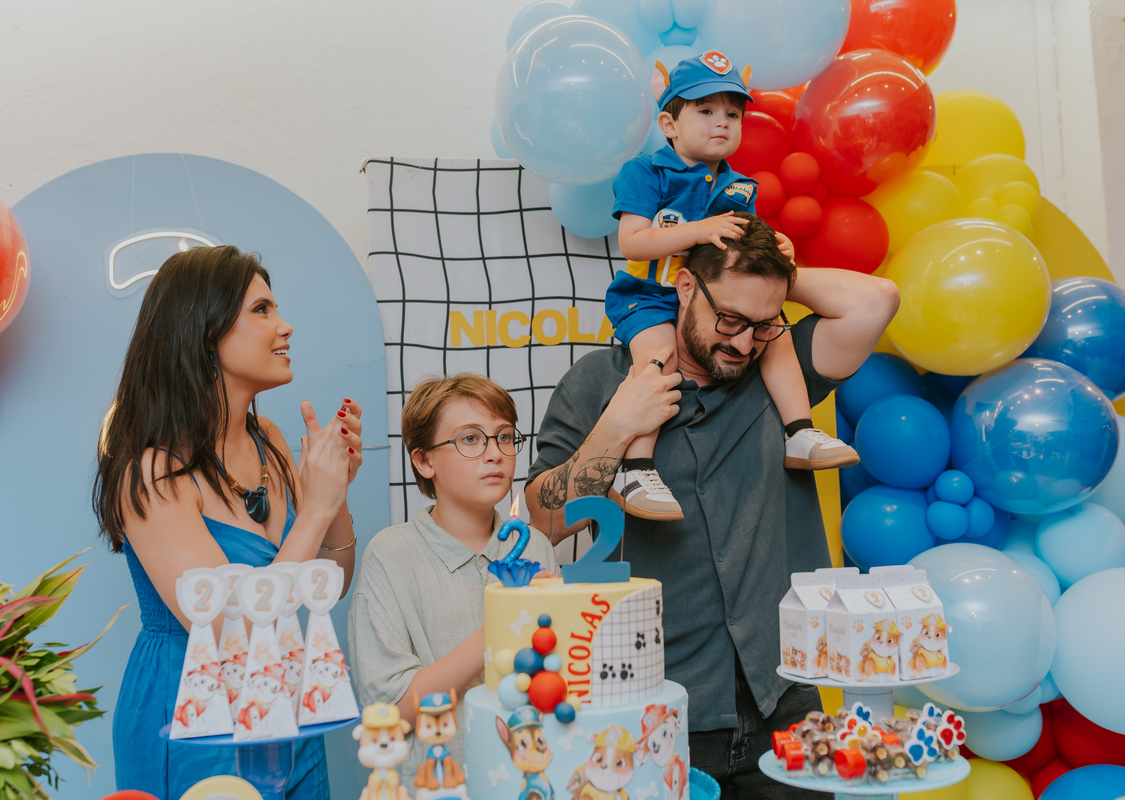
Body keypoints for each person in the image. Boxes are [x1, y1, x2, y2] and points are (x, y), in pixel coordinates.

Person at [525, 215, 900, 798]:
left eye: (762, 324)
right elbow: (545, 519)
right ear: (684, 288)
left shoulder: (781, 374)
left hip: (786, 698)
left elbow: (876, 301)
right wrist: (616, 429)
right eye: (729, 318)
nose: (744, 342)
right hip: (658, 704)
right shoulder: (600, 381)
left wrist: (776, 276)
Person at [94, 246, 360, 800]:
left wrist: (334, 494)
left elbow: (329, 585)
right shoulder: (152, 473)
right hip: (194, 713)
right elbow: (233, 633)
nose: (285, 326)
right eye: (261, 309)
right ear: (202, 330)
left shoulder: (274, 443)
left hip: (289, 707)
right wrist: (313, 507)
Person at [604, 52, 857, 522]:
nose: (722, 123)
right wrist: (699, 230)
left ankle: (799, 429)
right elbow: (632, 243)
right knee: (657, 362)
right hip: (651, 297)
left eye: (733, 114)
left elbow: (739, 254)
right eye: (705, 111)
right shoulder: (647, 171)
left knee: (774, 334)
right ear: (669, 123)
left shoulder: (740, 184)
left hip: (710, 296)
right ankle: (636, 467)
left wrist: (773, 245)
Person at [349, 374, 559, 787]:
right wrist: (502, 624)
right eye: (469, 439)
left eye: (504, 437)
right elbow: (391, 710)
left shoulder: (534, 545)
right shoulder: (390, 555)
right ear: (424, 461)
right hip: (438, 785)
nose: (494, 454)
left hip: (530, 780)